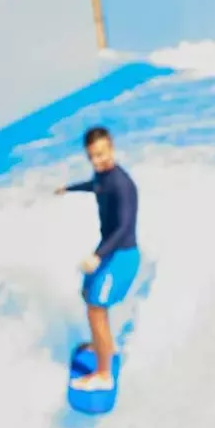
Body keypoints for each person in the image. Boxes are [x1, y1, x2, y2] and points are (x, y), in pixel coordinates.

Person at [63, 125, 139, 392]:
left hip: (122, 254)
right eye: (93, 156)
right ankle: (101, 345)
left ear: (112, 148)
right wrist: (68, 189)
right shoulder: (101, 176)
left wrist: (97, 256)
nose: (98, 160)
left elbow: (123, 227)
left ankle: (103, 375)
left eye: (102, 154)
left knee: (96, 308)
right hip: (109, 251)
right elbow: (95, 186)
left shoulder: (122, 184)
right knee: (88, 294)